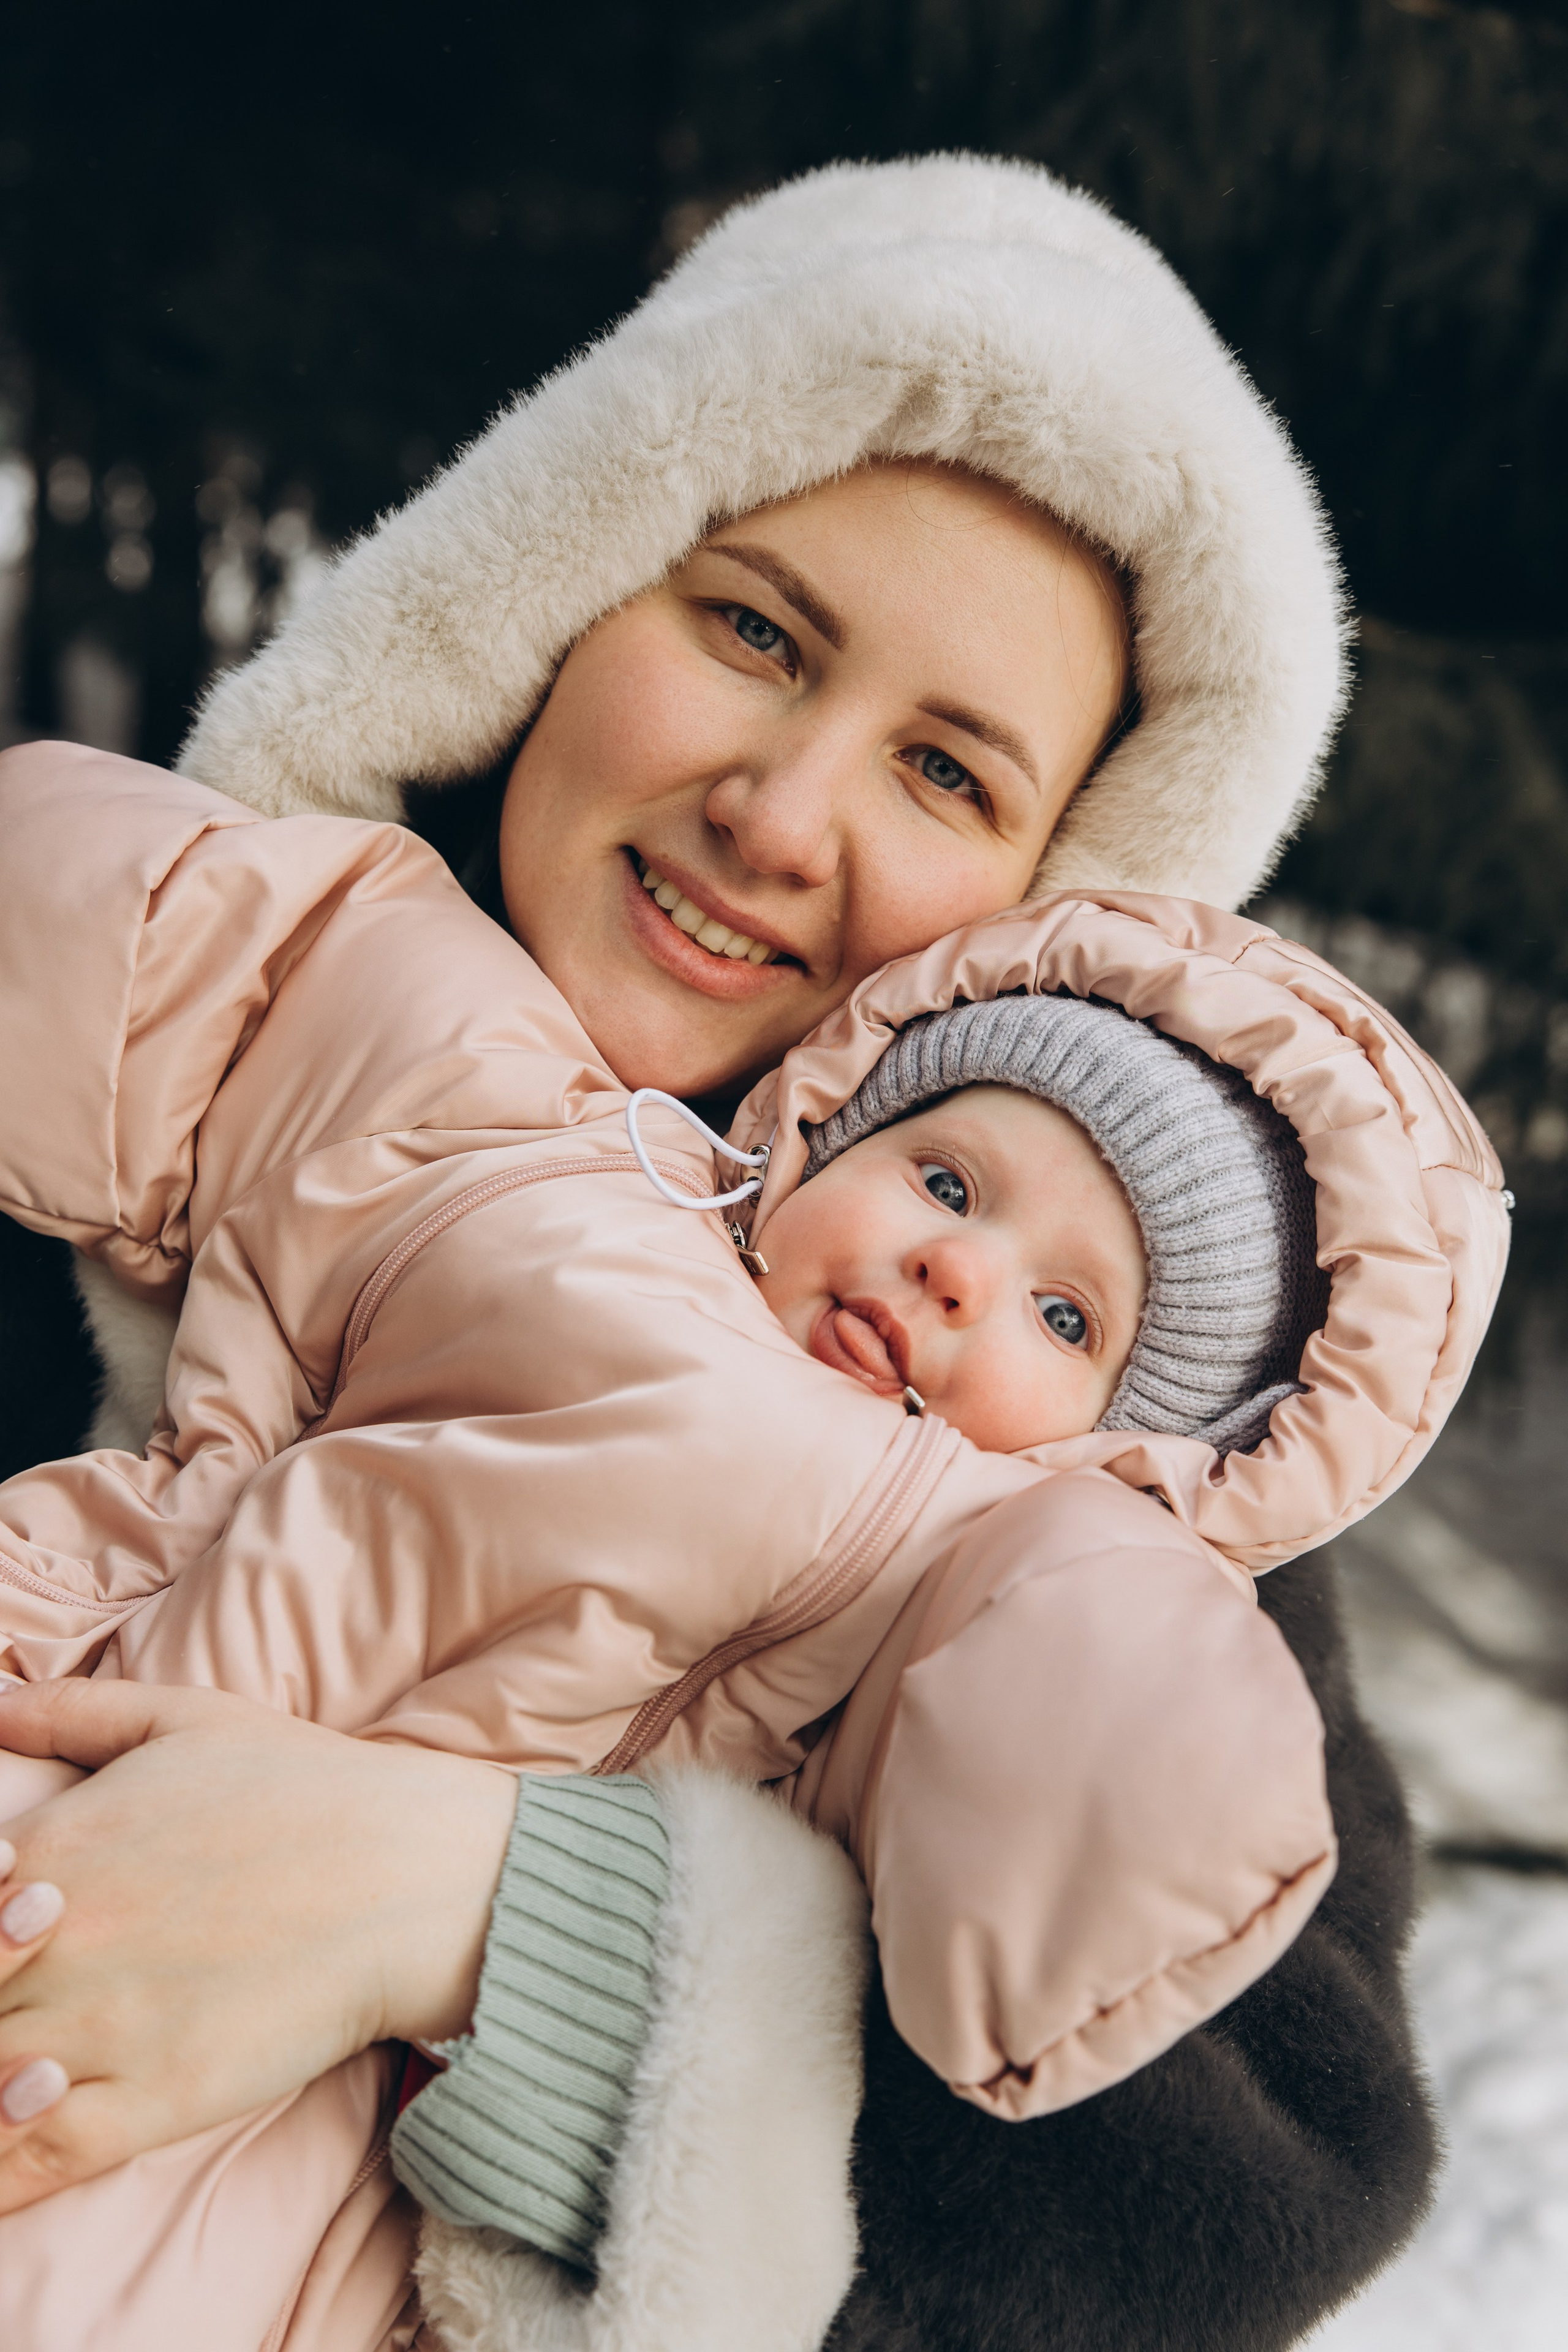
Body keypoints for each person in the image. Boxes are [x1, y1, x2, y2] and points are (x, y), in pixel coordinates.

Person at [0, 154, 1477, 2349]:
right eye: (755, 630)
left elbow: (1253, 2191)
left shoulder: (1074, 1457)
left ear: (1062, 902)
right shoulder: (162, 1028)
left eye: (953, 778)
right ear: (550, 586)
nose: (781, 819)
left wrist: (493, 1915)